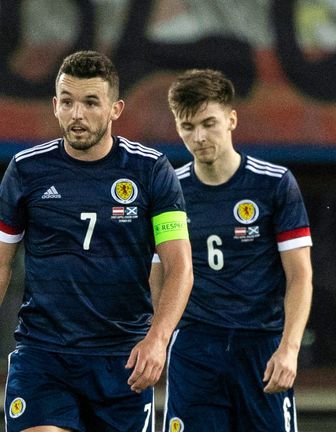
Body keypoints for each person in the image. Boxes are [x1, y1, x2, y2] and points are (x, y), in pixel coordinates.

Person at [0, 50, 193, 431]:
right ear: (55, 106)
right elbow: (2, 262)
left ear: (115, 109)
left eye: (90, 103)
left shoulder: (151, 171)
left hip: (121, 362)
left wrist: (158, 339)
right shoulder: (26, 170)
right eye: (68, 102)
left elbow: (180, 268)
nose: (77, 114)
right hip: (44, 356)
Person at [152, 69, 313, 432]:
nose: (199, 136)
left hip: (261, 345)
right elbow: (158, 271)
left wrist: (290, 348)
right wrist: (161, 338)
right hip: (195, 346)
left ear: (232, 119)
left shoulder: (274, 184)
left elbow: (300, 275)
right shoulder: (168, 191)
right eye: (187, 126)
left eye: (209, 123)